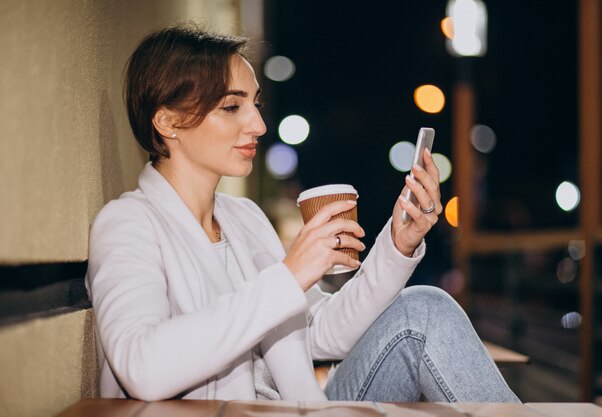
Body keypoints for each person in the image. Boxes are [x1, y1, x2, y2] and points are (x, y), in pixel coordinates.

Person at [86, 24, 519, 403]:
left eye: (255, 103)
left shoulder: (244, 219)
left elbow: (322, 331)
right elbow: (142, 367)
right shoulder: (128, 224)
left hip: (297, 406)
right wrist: (290, 275)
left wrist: (397, 244)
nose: (257, 123)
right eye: (232, 107)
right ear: (168, 121)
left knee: (424, 307)